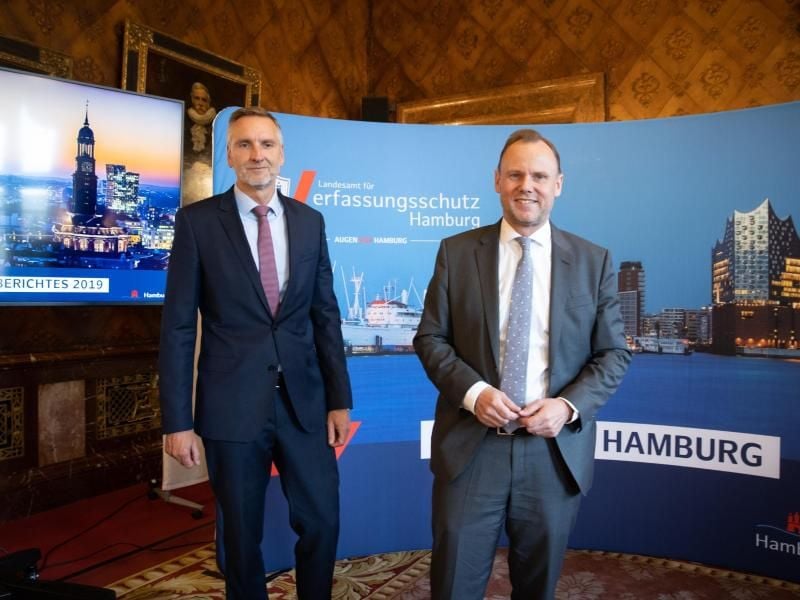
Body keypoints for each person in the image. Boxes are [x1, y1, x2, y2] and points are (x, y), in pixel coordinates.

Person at [413, 128, 631, 599]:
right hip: (472, 449)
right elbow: (430, 337)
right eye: (515, 174)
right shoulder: (456, 252)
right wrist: (475, 394)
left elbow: (613, 354)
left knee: (537, 588)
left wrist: (568, 406)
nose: (525, 185)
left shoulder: (594, 261)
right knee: (453, 586)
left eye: (538, 175)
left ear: (559, 184)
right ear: (497, 181)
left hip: (551, 455)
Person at [159, 106, 353, 600]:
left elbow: (325, 315)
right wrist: (177, 421)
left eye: (266, 144)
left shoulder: (311, 222)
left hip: (305, 404)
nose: (256, 155)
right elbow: (179, 327)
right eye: (244, 144)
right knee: (241, 538)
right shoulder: (198, 223)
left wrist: (338, 399)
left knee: (323, 521)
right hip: (231, 407)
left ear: (282, 153)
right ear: (228, 155)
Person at [186, 81, 216, 153]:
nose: (200, 103)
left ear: (208, 103)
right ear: (192, 100)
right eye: (197, 98)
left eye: (204, 100)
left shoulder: (216, 123)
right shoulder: (184, 120)